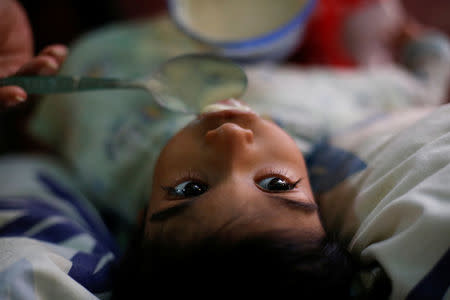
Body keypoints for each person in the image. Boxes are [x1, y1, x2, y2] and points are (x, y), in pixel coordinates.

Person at [0, 0, 449, 298]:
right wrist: (423, 48)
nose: (232, 140)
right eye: (275, 184)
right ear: (319, 198)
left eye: (189, 190)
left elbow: (37, 136)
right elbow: (408, 88)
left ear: (141, 219)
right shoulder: (317, 118)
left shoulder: (105, 166)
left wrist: (18, 91)